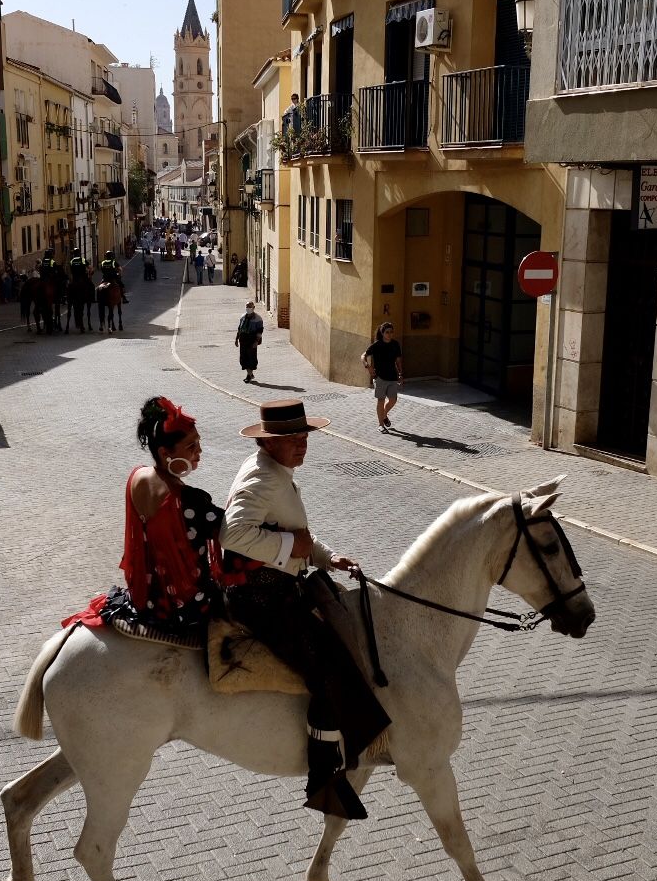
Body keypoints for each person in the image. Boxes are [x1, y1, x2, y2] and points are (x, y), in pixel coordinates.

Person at [223, 399, 389, 820]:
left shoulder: (278, 473)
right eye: (292, 439)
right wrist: (290, 548)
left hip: (284, 586)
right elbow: (233, 533)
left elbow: (293, 532)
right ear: (270, 442)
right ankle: (323, 777)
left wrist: (328, 557)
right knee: (329, 670)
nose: (302, 445)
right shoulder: (263, 479)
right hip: (262, 600)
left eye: (305, 436)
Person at [65, 397, 222, 643]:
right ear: (165, 453)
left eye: (199, 443)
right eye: (191, 446)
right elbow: (233, 532)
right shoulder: (191, 500)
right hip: (186, 609)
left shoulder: (136, 477)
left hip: (145, 598)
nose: (199, 452)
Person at [362, 322, 404, 433]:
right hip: (380, 377)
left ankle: (384, 415)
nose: (389, 334)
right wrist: (368, 366)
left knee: (393, 400)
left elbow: (398, 361)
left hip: (392, 376)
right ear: (382, 333)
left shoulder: (395, 344)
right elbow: (363, 356)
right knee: (381, 400)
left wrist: (400, 374)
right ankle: (381, 425)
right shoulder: (377, 345)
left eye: (391, 332)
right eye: (387, 332)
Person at [234, 300, 263, 384]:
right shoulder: (243, 317)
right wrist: (236, 339)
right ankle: (250, 374)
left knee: (251, 358)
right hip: (243, 340)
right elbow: (239, 328)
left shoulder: (258, 319)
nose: (248, 308)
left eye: (250, 307)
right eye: (247, 307)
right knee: (243, 358)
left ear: (253, 308)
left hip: (252, 340)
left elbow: (260, 331)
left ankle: (249, 375)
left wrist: (256, 342)